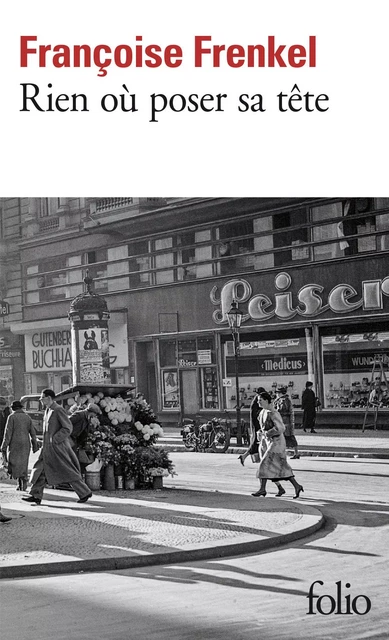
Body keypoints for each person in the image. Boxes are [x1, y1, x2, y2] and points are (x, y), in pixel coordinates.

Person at [22, 389, 93, 505]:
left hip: (57, 448)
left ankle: (84, 492)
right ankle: (35, 494)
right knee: (40, 470)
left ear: (49, 398)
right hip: (47, 448)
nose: (40, 400)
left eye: (42, 398)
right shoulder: (48, 410)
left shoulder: (58, 410)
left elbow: (67, 428)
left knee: (67, 470)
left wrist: (55, 440)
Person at [251, 392, 304, 499]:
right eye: (258, 400)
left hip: (277, 443)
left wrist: (267, 433)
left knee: (264, 464)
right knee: (281, 467)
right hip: (267, 442)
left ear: (266, 400)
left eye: (260, 400)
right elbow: (262, 427)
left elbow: (280, 428)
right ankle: (296, 486)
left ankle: (262, 489)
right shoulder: (263, 412)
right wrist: (260, 433)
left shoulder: (274, 413)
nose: (258, 402)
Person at [1, 400, 40, 491]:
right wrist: (34, 445)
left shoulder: (12, 417)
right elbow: (33, 433)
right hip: (26, 444)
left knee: (14, 463)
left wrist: (4, 446)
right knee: (24, 463)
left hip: (14, 444)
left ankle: (19, 483)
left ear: (13, 408)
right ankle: (24, 482)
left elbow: (8, 433)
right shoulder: (27, 417)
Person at [238, 387, 266, 466]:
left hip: (256, 423)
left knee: (257, 442)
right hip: (257, 424)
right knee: (256, 442)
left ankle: (245, 456)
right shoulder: (257, 401)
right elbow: (257, 414)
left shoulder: (256, 400)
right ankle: (245, 456)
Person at [274, 386, 300, 459]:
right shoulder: (278, 400)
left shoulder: (285, 400)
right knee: (283, 437)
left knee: (289, 437)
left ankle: (295, 452)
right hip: (281, 421)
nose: (277, 394)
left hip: (286, 421)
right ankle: (286, 452)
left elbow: (286, 410)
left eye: (278, 392)